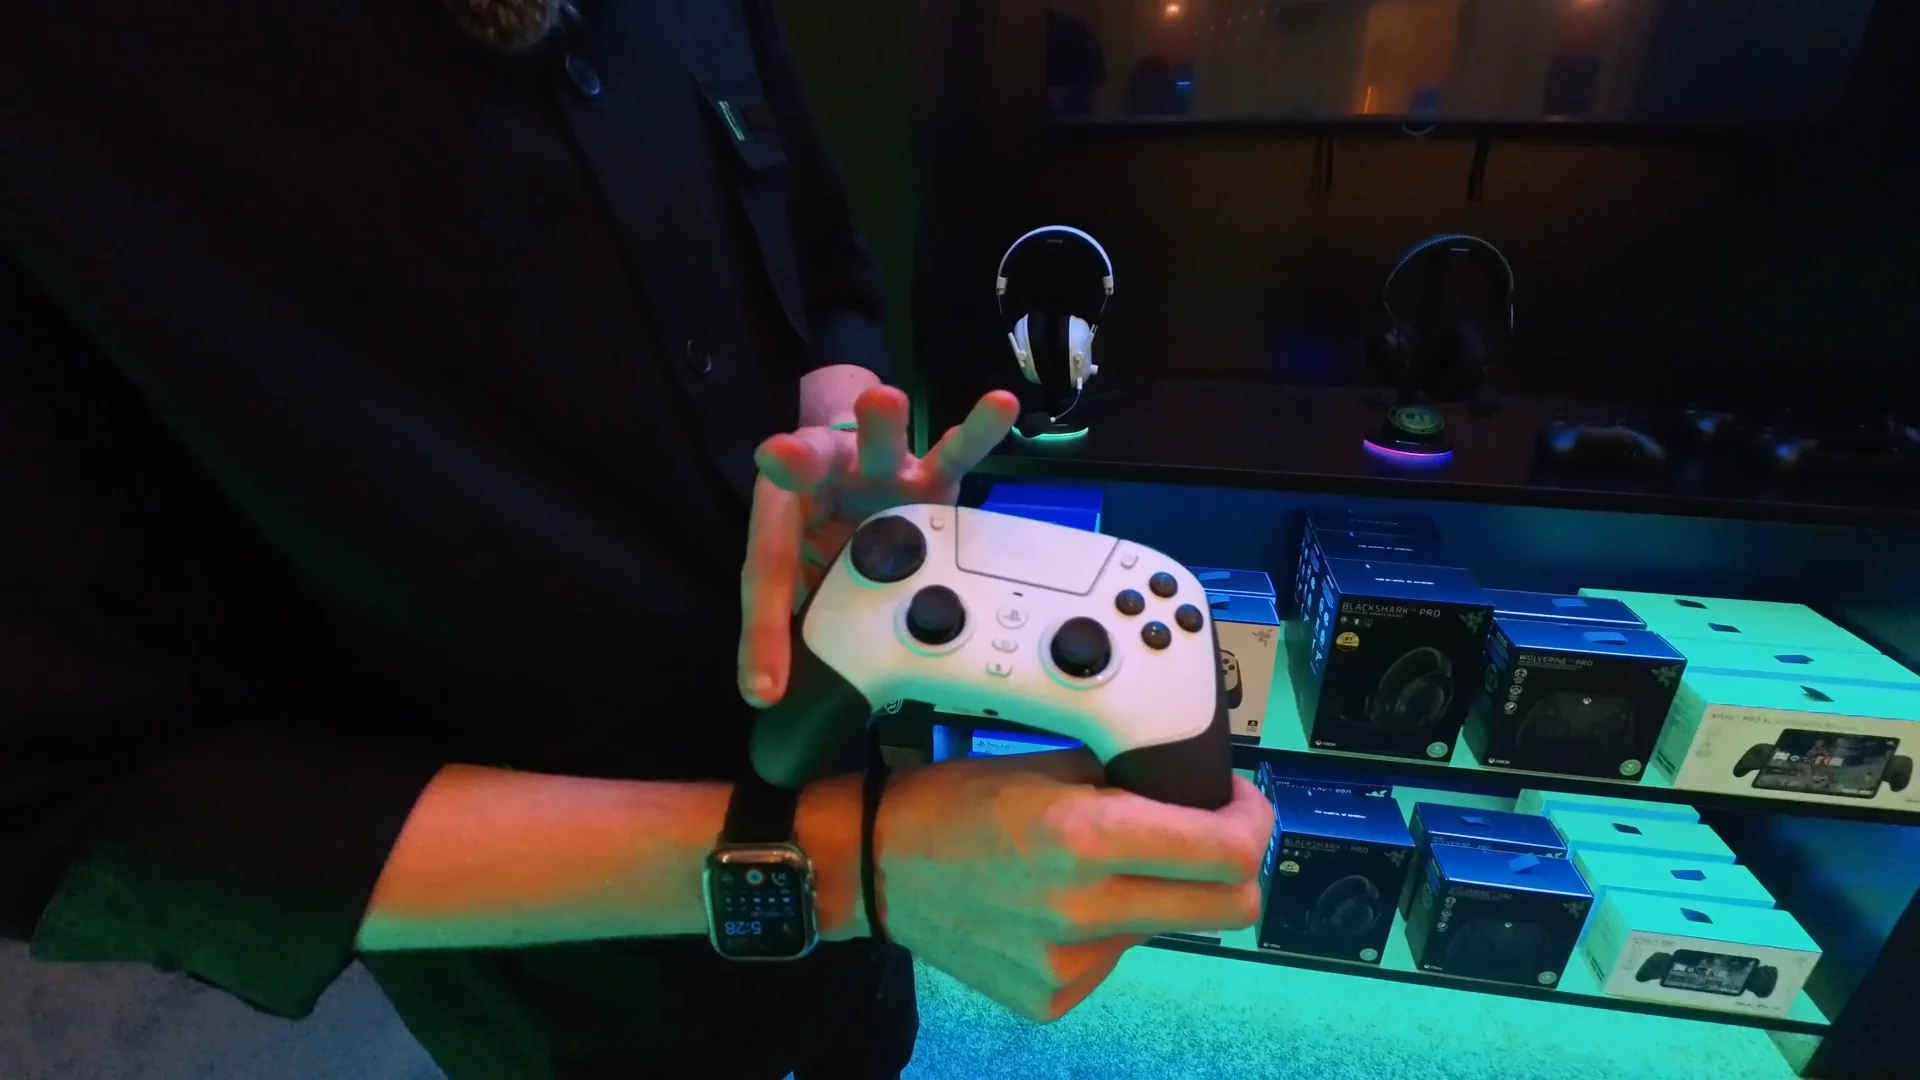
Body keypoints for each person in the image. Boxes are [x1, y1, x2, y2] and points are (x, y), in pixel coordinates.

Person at [0, 3, 1274, 1079]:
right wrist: (852, 868)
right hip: (573, 992)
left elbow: (825, 259)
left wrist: (837, 421)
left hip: (865, 889)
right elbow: (79, 806)